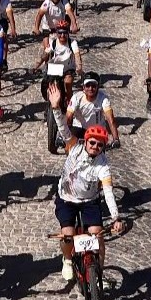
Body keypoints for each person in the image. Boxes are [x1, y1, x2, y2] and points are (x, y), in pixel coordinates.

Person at [47, 82, 124, 281]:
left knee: (98, 236)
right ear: (86, 140)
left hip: (89, 202)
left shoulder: (103, 166)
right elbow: (64, 128)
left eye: (99, 145)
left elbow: (108, 192)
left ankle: (99, 273)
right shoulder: (74, 146)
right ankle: (67, 259)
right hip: (67, 199)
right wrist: (56, 107)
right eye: (92, 142)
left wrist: (115, 218)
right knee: (67, 235)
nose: (95, 147)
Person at [67, 71, 121, 146]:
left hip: (97, 131)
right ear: (83, 87)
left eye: (94, 86)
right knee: (70, 148)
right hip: (78, 129)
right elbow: (69, 117)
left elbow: (110, 119)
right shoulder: (76, 97)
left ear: (98, 87)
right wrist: (62, 135)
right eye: (88, 85)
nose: (90, 88)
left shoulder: (103, 98)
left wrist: (116, 139)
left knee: (100, 153)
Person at [33, 20, 82, 99]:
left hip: (68, 68)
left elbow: (77, 55)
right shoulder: (53, 42)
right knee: (50, 84)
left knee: (68, 83)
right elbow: (45, 55)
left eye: (65, 33)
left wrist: (79, 67)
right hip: (56, 68)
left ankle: (70, 102)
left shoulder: (72, 43)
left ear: (68, 33)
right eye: (60, 33)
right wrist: (35, 66)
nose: (62, 35)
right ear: (57, 33)